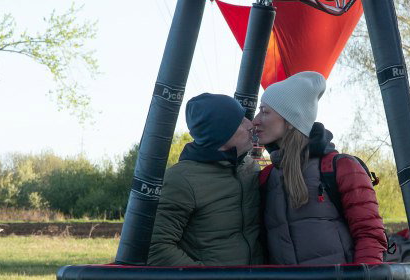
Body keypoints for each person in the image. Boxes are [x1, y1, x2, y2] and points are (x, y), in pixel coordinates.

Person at [252, 71, 387, 265]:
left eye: (265, 112)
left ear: (290, 120)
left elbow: (370, 234)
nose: (255, 120)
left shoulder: (341, 167)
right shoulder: (267, 177)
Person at [148, 93, 263, 266]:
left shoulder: (249, 168)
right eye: (240, 122)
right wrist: (206, 277)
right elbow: (156, 247)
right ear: (221, 133)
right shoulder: (181, 179)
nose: (250, 124)